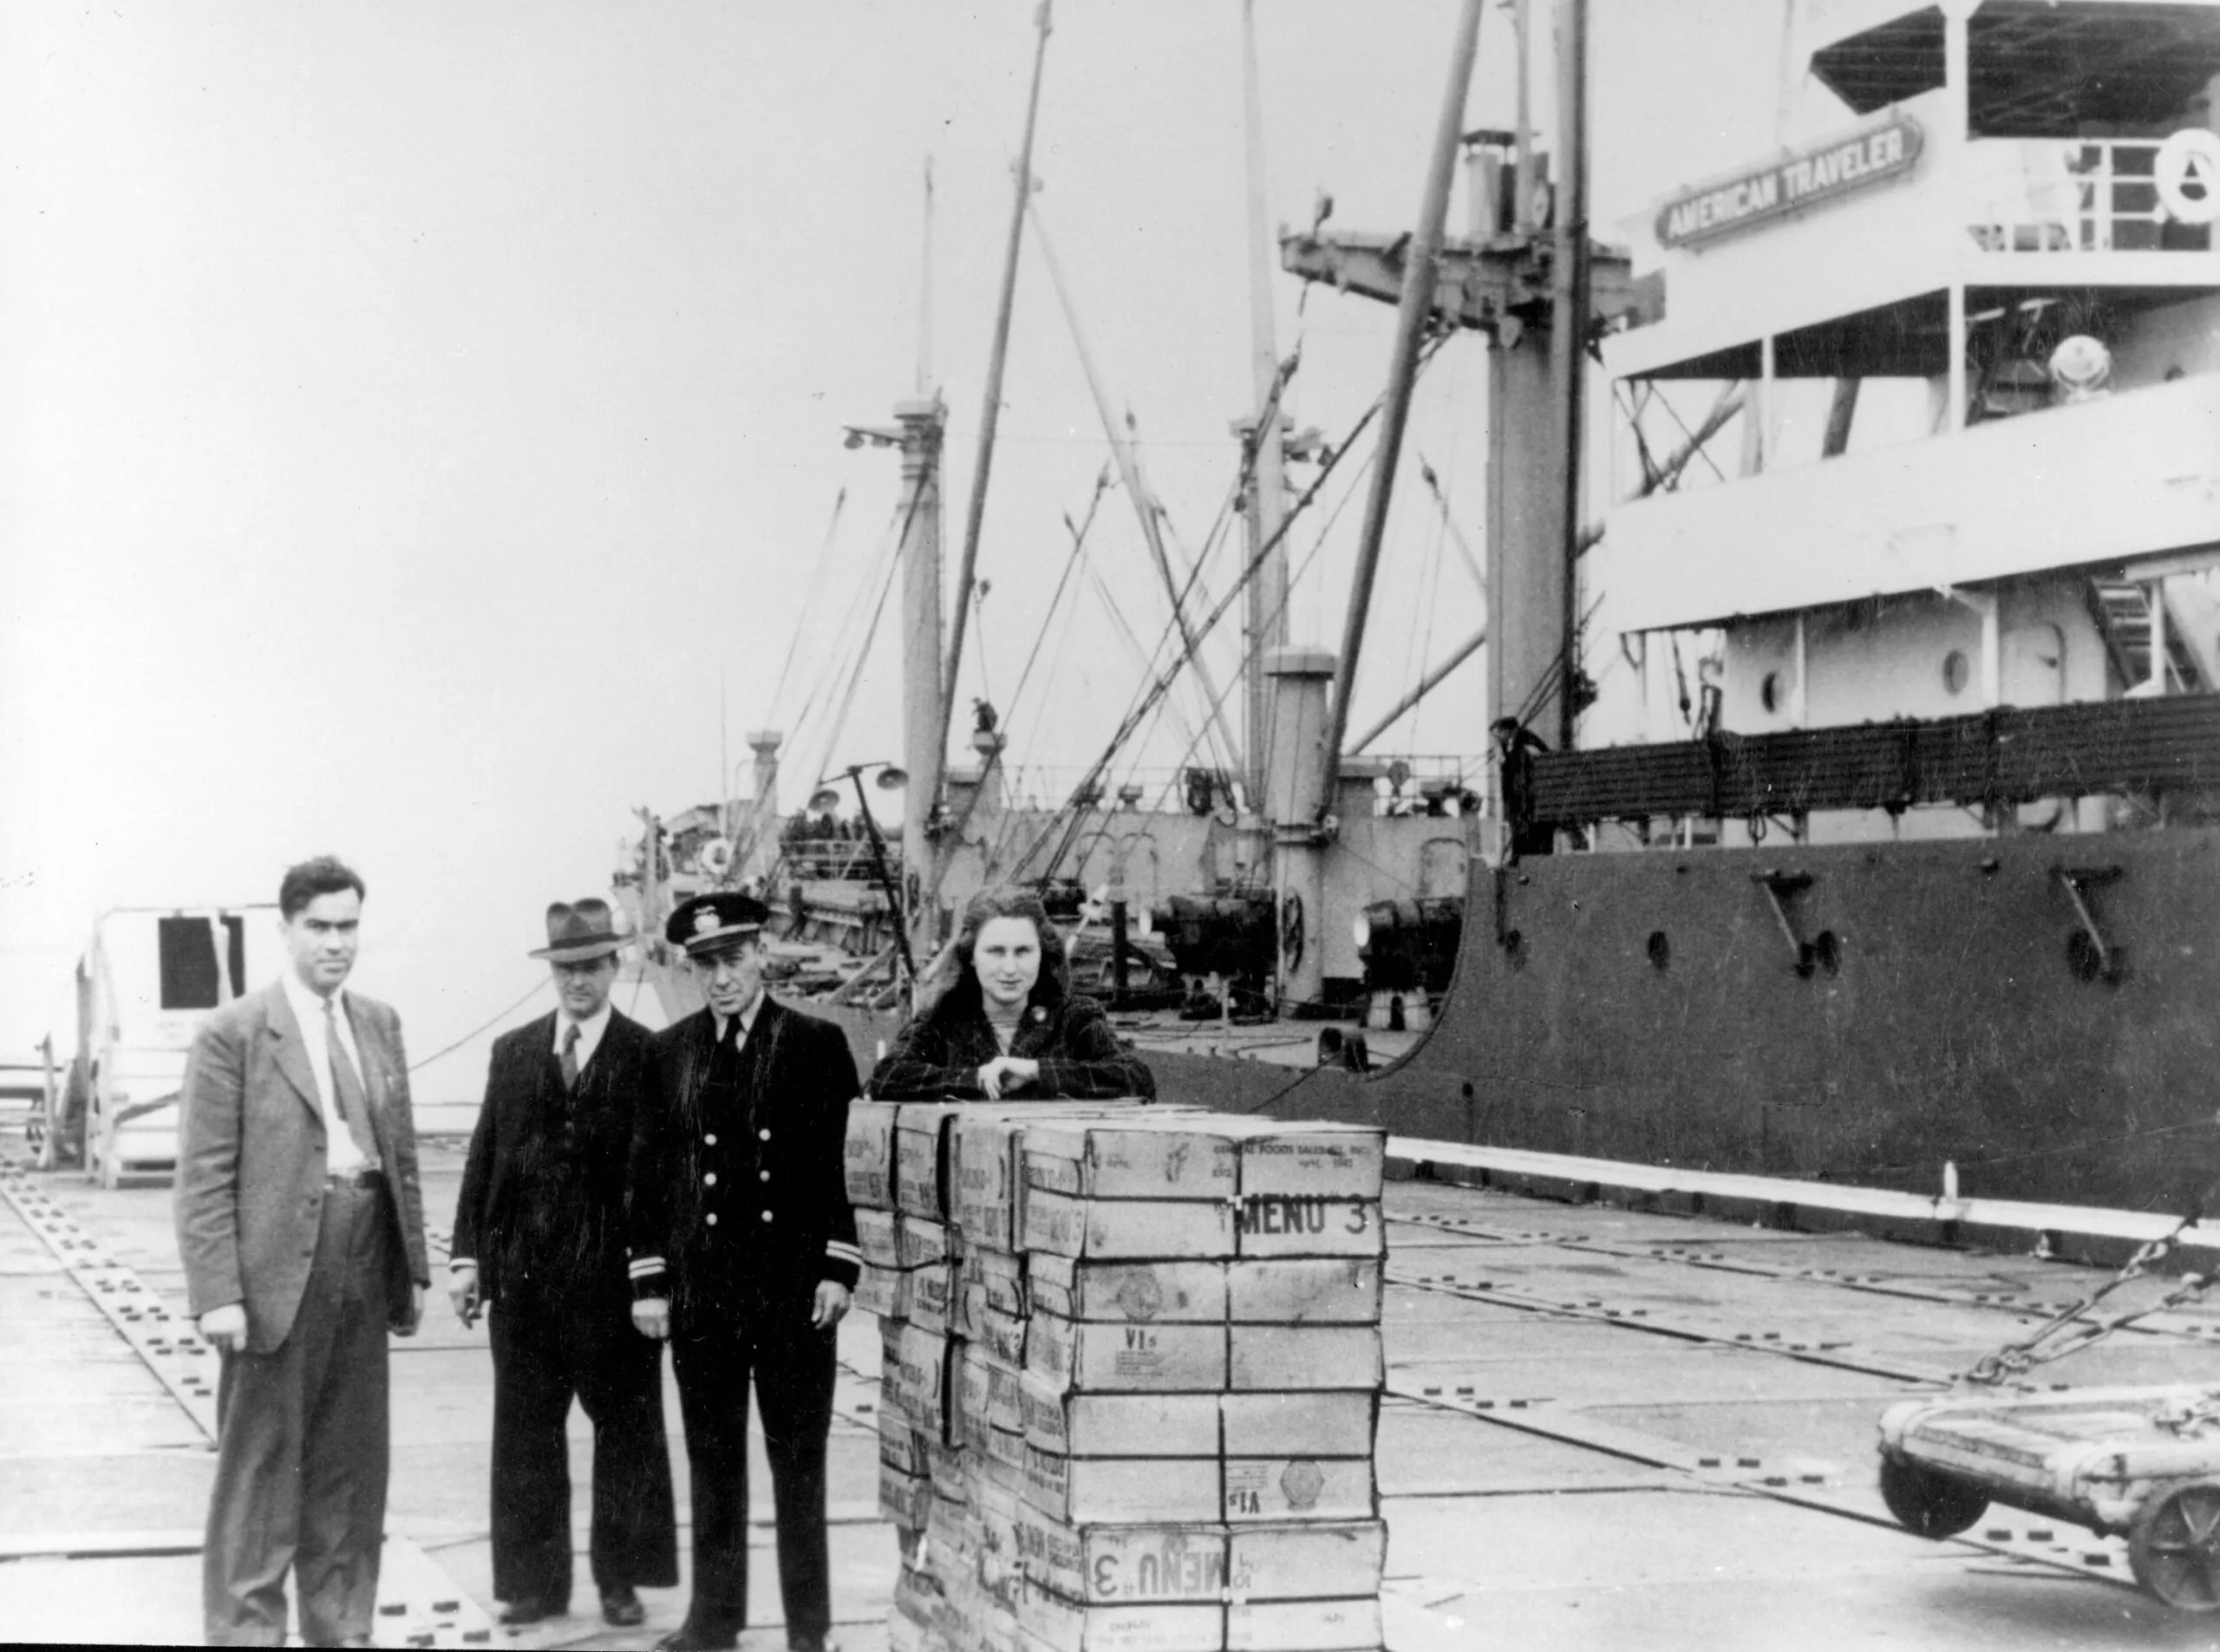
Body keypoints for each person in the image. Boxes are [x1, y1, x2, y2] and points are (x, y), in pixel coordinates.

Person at [173, 856, 430, 1647]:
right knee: (260, 1471)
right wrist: (217, 1292)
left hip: (363, 1252)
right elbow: (203, 1175)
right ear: (285, 930)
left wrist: (411, 1268)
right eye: (318, 927)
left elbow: (401, 1152)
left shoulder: (379, 1022)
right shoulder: (235, 1033)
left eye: (348, 925)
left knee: (350, 1465)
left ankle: (342, 1624)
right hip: (277, 1278)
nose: (335, 942)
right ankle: (247, 1631)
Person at [626, 891, 862, 1652]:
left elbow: (843, 1168)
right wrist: (651, 1281)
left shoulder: (816, 1043)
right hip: (706, 1298)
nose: (721, 978)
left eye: (733, 959)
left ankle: (807, 1628)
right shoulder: (669, 1053)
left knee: (800, 1470)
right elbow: (649, 1177)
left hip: (795, 1297)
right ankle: (713, 1620)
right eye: (706, 966)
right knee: (714, 1464)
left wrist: (839, 1267)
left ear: (761, 952)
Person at [448, 898, 677, 1630]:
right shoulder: (513, 1051)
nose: (579, 980)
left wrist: (652, 1280)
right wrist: (466, 1258)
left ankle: (620, 1581)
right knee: (524, 1434)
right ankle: (533, 1584)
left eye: (592, 966)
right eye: (566, 968)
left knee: (628, 1432)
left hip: (614, 1288)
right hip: (524, 1285)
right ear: (552, 972)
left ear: (615, 966)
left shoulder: (648, 1053)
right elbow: (485, 1157)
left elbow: (661, 1176)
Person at [865, 886, 1155, 1100]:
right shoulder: (943, 1022)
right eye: (995, 952)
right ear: (970, 956)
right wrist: (975, 1079)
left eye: (1023, 951)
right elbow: (886, 1077)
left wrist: (1038, 1071)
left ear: (1042, 954)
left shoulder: (1075, 1019)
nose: (1010, 968)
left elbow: (1136, 1078)